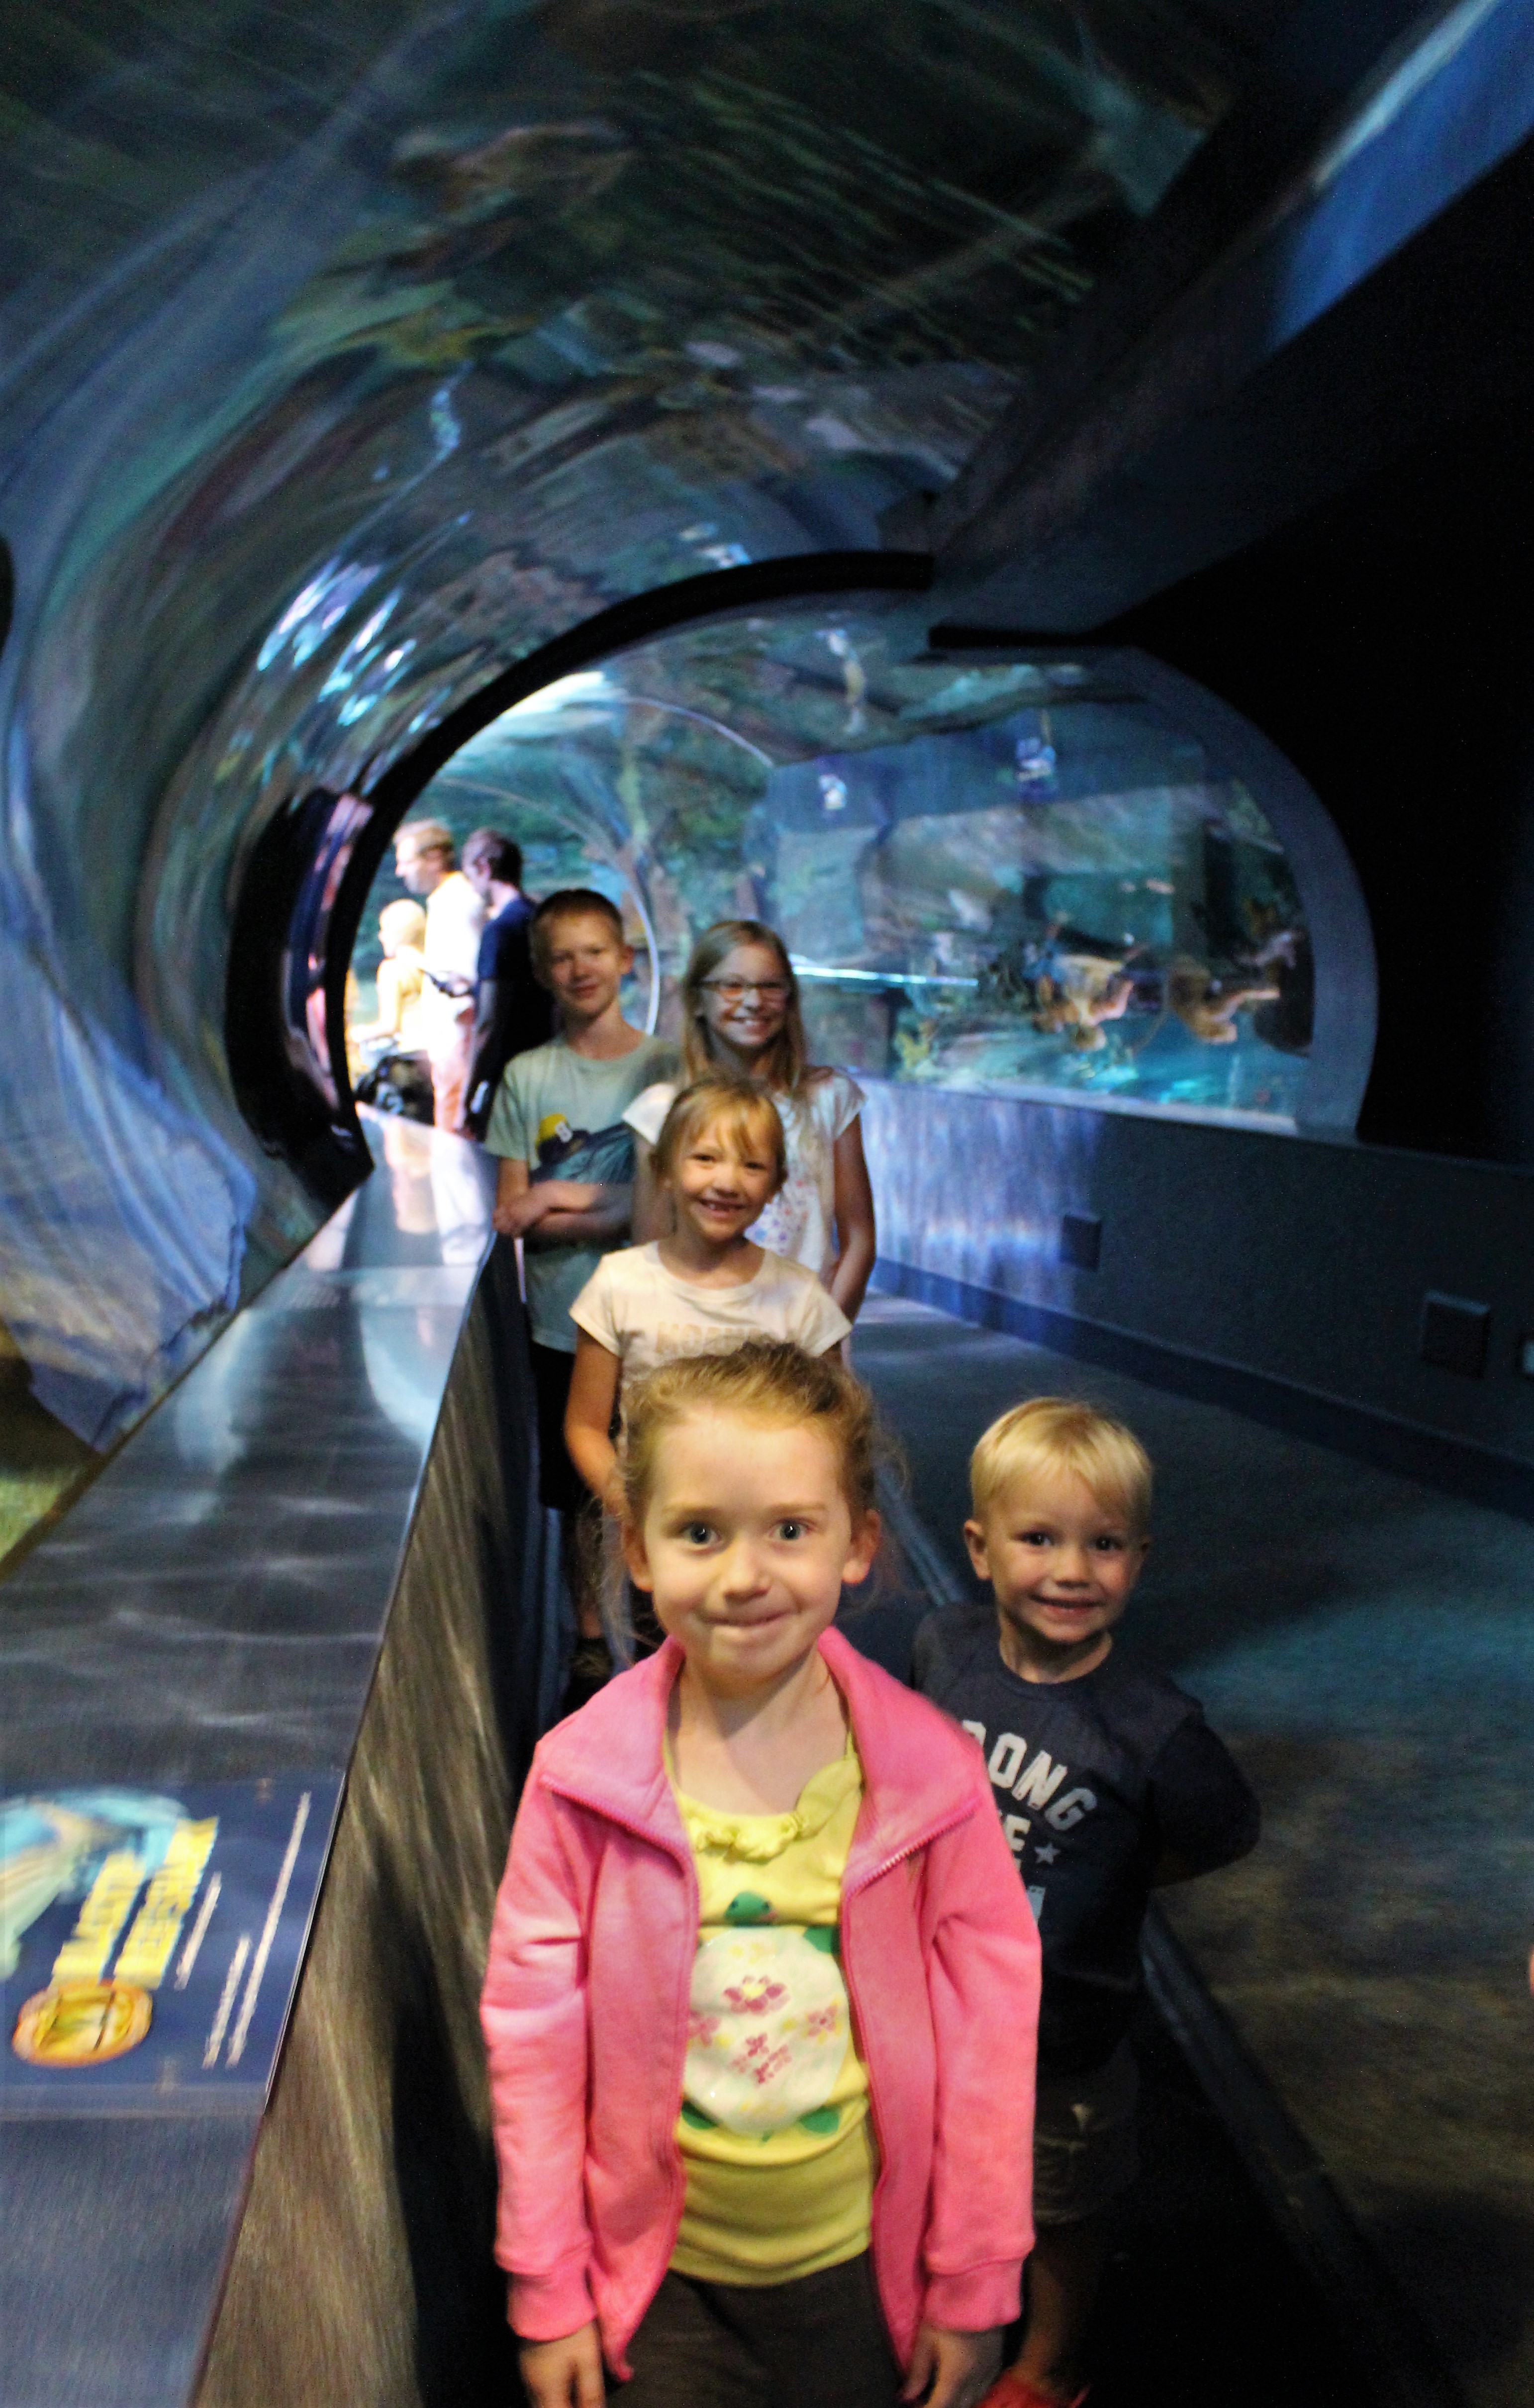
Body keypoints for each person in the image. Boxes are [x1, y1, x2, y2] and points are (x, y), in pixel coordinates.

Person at [480, 1341, 1041, 2408]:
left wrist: (973, 2280)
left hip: (865, 2277)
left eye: (790, 1527)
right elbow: (534, 2038)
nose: (744, 1574)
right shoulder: (578, 1779)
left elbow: (990, 2036)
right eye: (700, 1531)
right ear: (636, 1550)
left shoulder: (933, 1778)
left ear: (858, 1544)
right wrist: (549, 2283)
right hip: (658, 2289)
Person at [912, 1398, 1260, 2408]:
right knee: (938, 2168)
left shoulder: (1157, 1727)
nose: (1072, 1569)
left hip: (1064, 2031)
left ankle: (1049, 2362)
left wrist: (1121, 1872)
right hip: (937, 2000)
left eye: (1104, 1544)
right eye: (1039, 1537)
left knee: (1062, 2200)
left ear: (1139, 1559)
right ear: (979, 1546)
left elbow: (1224, 1829)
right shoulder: (945, 1647)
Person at [484, 890, 678, 1632]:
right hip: (565, 1324)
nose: (580, 969)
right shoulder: (527, 1077)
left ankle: (667, 1627)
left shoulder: (668, 1065)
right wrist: (623, 1205)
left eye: (595, 951)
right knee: (580, 1499)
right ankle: (591, 1641)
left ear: (626, 960)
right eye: (562, 957)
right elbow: (513, 1214)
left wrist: (561, 1195)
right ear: (541, 972)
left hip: (663, 1321)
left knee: (666, 1479)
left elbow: (676, 1205)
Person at [565, 1074, 851, 1514]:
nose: (727, 1181)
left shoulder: (801, 1297)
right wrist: (636, 1514)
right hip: (656, 1538)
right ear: (664, 1171)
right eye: (705, 1158)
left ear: (776, 1184)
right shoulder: (618, 1282)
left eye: (752, 1166)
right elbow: (585, 1424)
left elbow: (836, 1422)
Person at [626, 920, 876, 1325]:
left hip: (806, 1340)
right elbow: (651, 1249)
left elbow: (860, 1239)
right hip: (699, 1341)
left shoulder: (830, 1097)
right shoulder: (660, 1110)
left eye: (770, 986)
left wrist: (822, 1332)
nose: (753, 1001)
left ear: (790, 997)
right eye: (732, 985)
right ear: (696, 1000)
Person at [393, 817, 485, 1130]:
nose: (400, 871)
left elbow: (468, 986)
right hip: (451, 1050)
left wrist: (459, 1055)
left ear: (433, 858)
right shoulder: (446, 901)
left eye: (406, 862)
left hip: (457, 1051)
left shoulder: (457, 904)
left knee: (454, 1141)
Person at [460, 826, 552, 1138]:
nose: (473, 887)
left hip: (511, 1083)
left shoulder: (500, 930)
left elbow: (489, 1023)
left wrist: (467, 1096)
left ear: (484, 867)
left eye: (470, 876)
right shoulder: (542, 919)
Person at [348, 898, 428, 1054]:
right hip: (437, 1054)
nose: (381, 937)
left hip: (412, 1056)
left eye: (385, 930)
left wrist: (355, 1034)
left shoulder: (392, 969)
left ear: (397, 934)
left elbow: (390, 1025)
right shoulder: (429, 964)